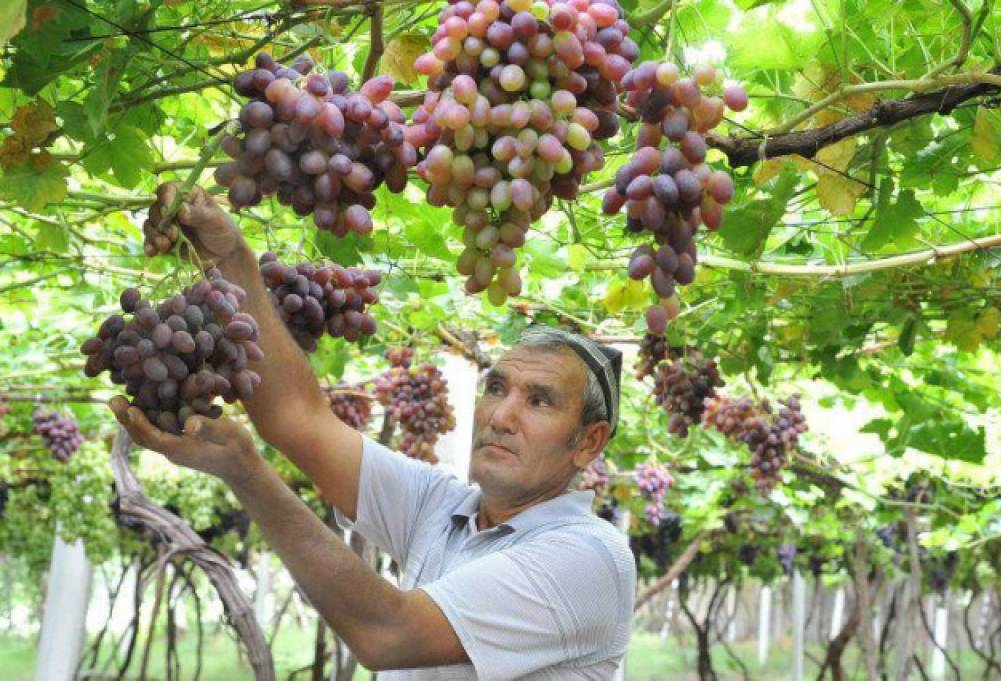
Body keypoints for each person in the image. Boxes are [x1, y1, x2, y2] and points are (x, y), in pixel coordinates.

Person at [110, 184, 636, 679]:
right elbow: (299, 419)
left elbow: (387, 632)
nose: (500, 416)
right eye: (496, 388)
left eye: (539, 401)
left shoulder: (588, 559)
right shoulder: (443, 510)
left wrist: (246, 473)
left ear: (589, 442)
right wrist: (231, 259)